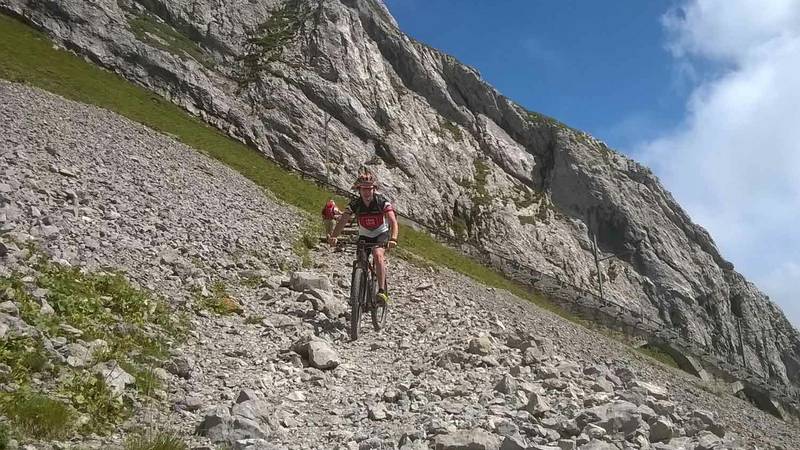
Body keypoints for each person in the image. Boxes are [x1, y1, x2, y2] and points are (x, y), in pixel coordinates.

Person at [328, 172, 398, 304]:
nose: (367, 192)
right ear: (359, 190)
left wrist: (393, 239)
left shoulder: (382, 202)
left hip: (380, 234)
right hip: (364, 235)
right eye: (363, 189)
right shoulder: (355, 204)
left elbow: (393, 221)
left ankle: (381, 291)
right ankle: (357, 292)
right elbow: (343, 221)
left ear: (374, 189)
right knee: (361, 260)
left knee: (378, 255)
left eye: (369, 189)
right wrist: (334, 237)